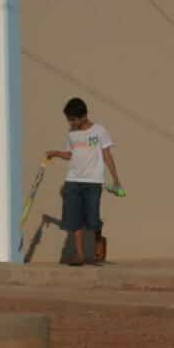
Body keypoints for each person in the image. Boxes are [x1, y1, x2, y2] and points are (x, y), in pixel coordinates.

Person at [45, 97, 121, 267]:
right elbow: (70, 154)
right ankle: (80, 256)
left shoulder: (99, 131)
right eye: (69, 119)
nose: (71, 122)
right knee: (74, 220)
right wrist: (56, 153)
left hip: (93, 181)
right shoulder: (72, 134)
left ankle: (99, 236)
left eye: (73, 119)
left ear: (84, 115)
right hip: (72, 180)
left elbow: (107, 155)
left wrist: (116, 179)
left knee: (93, 220)